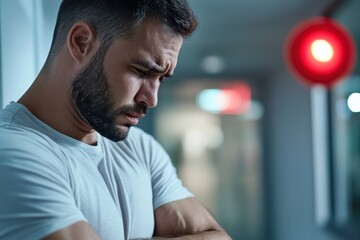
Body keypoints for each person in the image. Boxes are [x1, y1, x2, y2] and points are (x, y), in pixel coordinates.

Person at [0, 0, 231, 239]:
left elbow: (217, 236)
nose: (152, 100)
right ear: (82, 42)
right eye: (141, 71)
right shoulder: (10, 152)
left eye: (161, 79)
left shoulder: (141, 148)